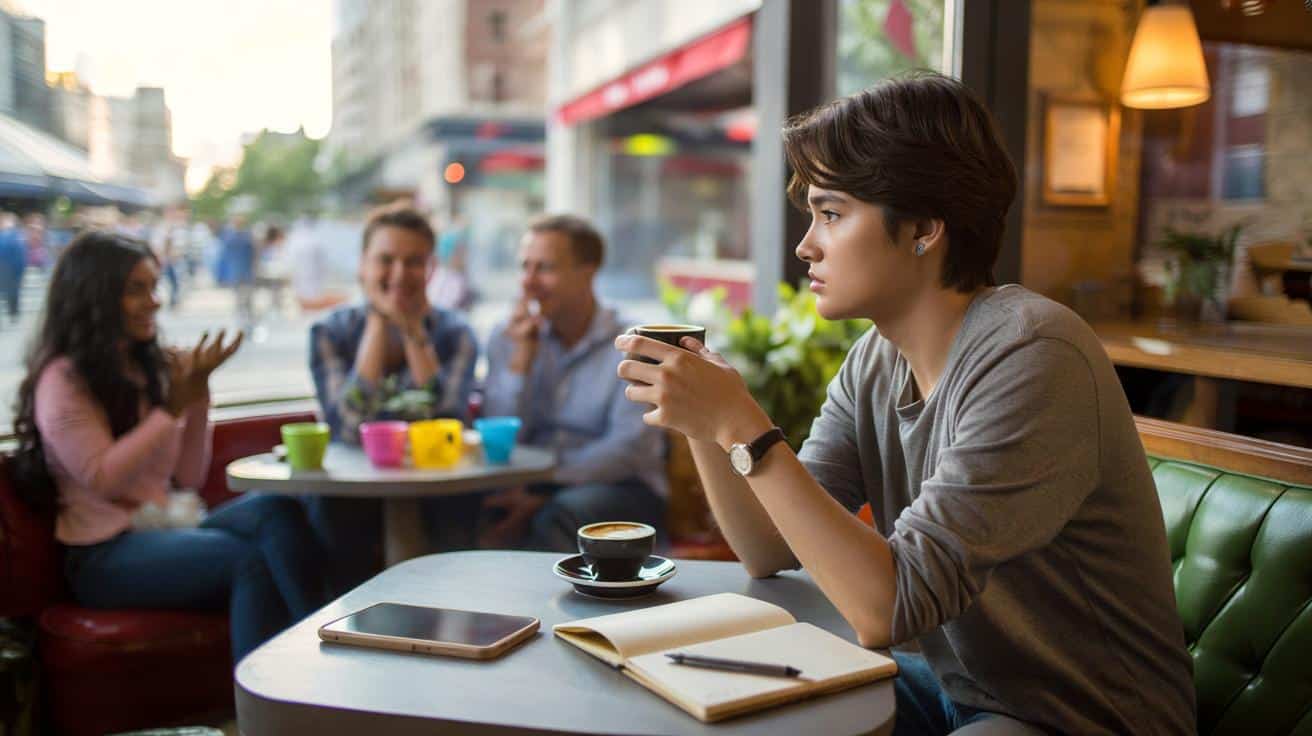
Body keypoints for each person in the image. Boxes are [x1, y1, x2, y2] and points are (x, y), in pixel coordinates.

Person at [615, 73, 1194, 735]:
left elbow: (886, 607)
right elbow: (770, 549)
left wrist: (738, 421)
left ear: (922, 227)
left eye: (830, 214)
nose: (806, 244)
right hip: (957, 691)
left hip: (1077, 718)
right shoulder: (876, 358)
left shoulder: (1034, 353)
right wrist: (704, 423)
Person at [10, 231, 326, 663]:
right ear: (96, 296)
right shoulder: (61, 380)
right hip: (101, 556)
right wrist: (171, 409)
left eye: (154, 286)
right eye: (136, 289)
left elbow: (189, 477)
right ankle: (269, 707)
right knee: (247, 558)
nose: (155, 301)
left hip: (162, 525)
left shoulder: (143, 368)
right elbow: (102, 477)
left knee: (279, 508)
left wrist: (197, 395)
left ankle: (325, 649)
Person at [307, 204, 479, 593]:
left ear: (431, 269)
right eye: (386, 260)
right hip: (352, 493)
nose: (399, 274)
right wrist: (377, 326)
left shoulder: (457, 334)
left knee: (460, 511)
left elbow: (446, 424)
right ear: (362, 266)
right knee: (325, 517)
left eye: (413, 262)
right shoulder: (329, 332)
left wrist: (413, 332)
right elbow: (349, 426)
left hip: (439, 491)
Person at [481, 214, 667, 552]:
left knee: (561, 513)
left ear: (588, 272)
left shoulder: (633, 344)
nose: (528, 282)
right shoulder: (509, 336)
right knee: (465, 507)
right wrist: (519, 364)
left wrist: (543, 487)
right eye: (525, 266)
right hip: (529, 481)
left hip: (620, 486)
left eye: (545, 269)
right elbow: (500, 439)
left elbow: (627, 450)